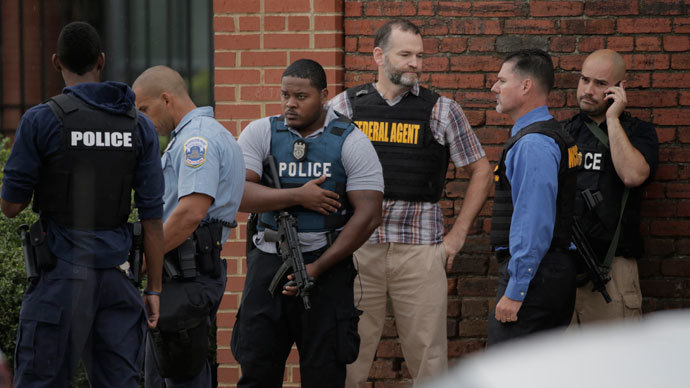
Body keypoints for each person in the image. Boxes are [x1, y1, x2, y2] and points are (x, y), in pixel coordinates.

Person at [1, 21, 165, 387]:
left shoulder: (42, 120)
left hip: (60, 277)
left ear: (56, 62)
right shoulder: (138, 127)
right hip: (118, 278)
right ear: (102, 60)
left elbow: (11, 206)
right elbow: (153, 218)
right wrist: (153, 290)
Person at [329, 19, 492, 386]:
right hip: (356, 251)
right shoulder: (344, 106)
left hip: (420, 252)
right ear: (378, 55)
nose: (415, 63)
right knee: (345, 356)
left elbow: (482, 172)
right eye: (405, 55)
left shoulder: (442, 109)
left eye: (419, 56)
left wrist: (457, 237)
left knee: (429, 361)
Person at [231, 58, 384, 388]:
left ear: (324, 95)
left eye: (301, 96)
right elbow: (238, 194)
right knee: (256, 368)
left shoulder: (350, 140)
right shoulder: (260, 132)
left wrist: (318, 268)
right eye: (285, 94)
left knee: (324, 373)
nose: (290, 104)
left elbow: (370, 215)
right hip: (268, 264)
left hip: (325, 268)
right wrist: (298, 197)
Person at [132, 66, 245, 388]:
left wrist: (144, 261)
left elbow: (190, 213)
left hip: (186, 271)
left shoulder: (197, 140)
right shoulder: (204, 134)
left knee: (179, 376)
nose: (142, 119)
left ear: (166, 99)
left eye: (144, 109)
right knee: (165, 374)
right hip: (182, 271)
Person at [487, 49, 580, 345]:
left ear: (526, 86)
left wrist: (516, 290)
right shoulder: (547, 135)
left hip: (535, 280)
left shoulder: (533, 145)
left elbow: (533, 222)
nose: (494, 88)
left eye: (502, 80)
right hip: (548, 274)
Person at [564, 49, 658, 325]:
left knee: (614, 366)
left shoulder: (638, 132)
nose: (588, 90)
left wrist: (614, 120)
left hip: (612, 268)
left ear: (620, 88)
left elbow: (632, 175)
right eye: (584, 80)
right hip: (564, 268)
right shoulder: (562, 132)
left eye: (600, 84)